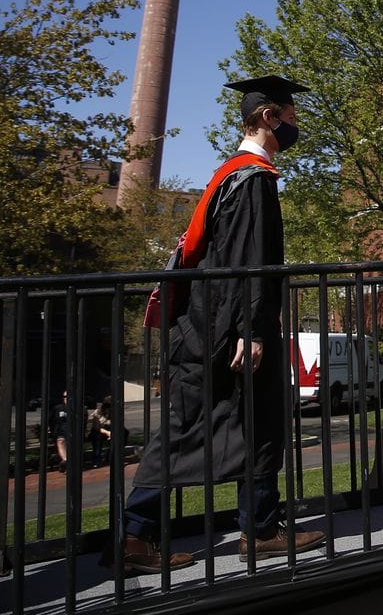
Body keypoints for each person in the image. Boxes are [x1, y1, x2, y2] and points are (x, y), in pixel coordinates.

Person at [111, 75, 324, 576]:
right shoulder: (252, 181)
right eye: (291, 118)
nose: (295, 127)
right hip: (224, 329)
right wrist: (250, 330)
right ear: (269, 117)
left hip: (209, 324)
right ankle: (136, 538)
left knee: (256, 423)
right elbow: (249, 262)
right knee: (188, 430)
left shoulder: (227, 174)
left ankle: (259, 527)